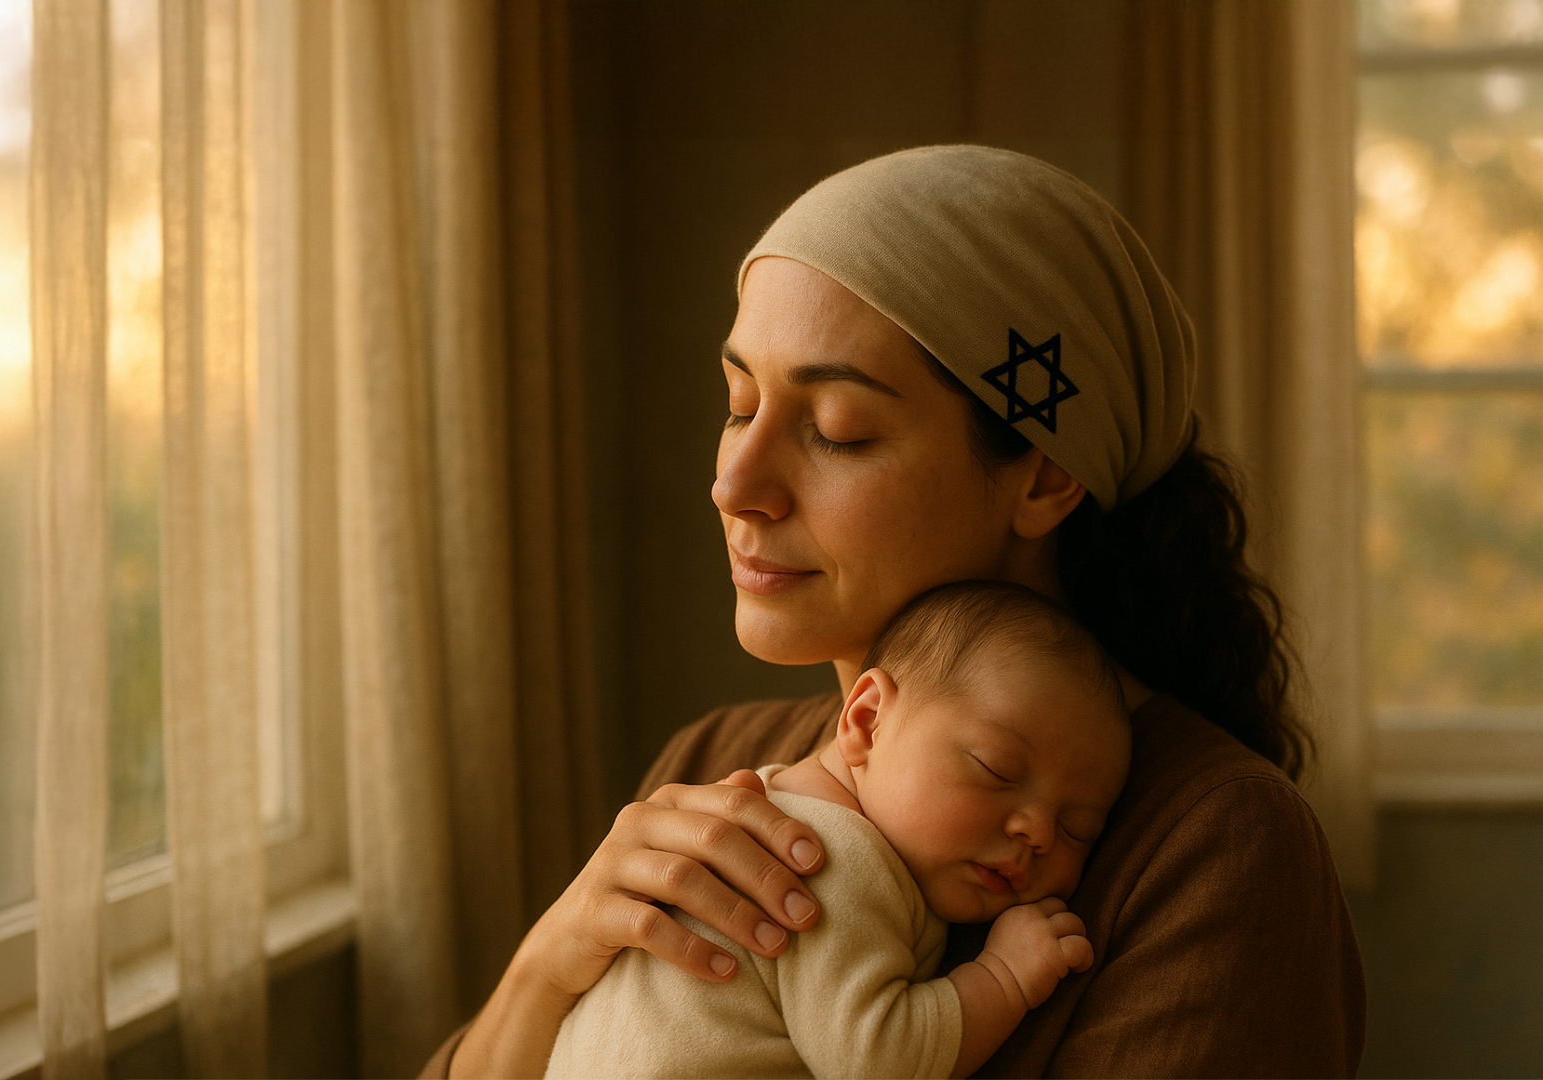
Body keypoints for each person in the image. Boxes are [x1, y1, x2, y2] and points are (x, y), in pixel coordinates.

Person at [429, 145, 1365, 1079]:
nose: (733, 485)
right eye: (737, 404)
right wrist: (548, 967)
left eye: (836, 430)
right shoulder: (716, 770)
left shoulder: (1210, 850)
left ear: (1044, 474)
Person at [544, 581, 1131, 1079]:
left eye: (1078, 829)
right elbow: (873, 1060)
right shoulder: (832, 857)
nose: (1038, 831)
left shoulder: (775, 794)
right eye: (997, 769)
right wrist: (1003, 978)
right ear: (868, 721)